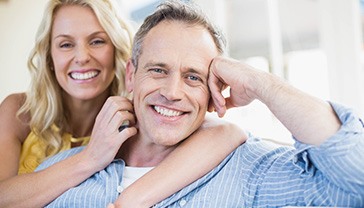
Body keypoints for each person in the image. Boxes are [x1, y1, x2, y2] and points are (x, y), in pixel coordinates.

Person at [36, 0, 364, 207]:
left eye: (193, 77)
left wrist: (260, 83)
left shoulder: (250, 170)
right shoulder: (58, 171)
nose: (173, 91)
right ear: (131, 75)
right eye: (158, 70)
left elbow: (355, 185)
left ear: (213, 89)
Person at [0, 0, 246, 207]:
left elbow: (224, 133)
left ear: (117, 49)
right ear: (49, 56)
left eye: (97, 41)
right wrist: (89, 159)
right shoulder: (18, 111)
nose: (82, 57)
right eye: (66, 44)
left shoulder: (142, 112)